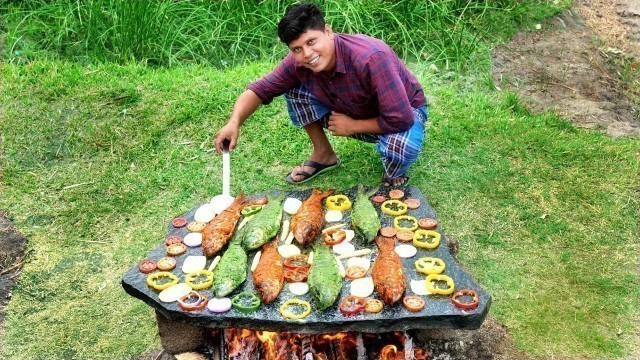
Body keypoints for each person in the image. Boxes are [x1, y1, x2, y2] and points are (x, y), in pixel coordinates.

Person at [214, 2, 427, 186]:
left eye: (311, 42)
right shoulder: (298, 62)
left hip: (403, 112)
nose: (307, 54)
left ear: (328, 31)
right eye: (297, 49)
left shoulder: (371, 57)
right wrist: (234, 123)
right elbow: (259, 90)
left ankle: (394, 173)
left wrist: (353, 126)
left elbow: (401, 118)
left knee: (401, 148)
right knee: (294, 89)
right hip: (351, 108)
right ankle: (324, 154)